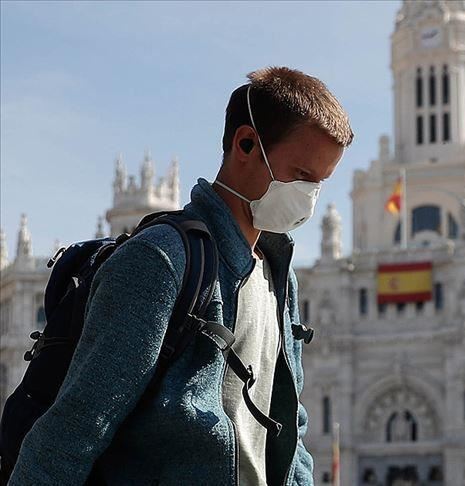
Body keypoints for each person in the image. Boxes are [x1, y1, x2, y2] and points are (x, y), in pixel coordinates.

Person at [9, 66, 353, 485]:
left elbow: (287, 429)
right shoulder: (161, 260)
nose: (310, 196)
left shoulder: (280, 277)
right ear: (246, 144)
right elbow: (74, 429)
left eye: (320, 182)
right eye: (302, 176)